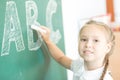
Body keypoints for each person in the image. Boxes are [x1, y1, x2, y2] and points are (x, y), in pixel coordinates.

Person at [37, 20, 115, 80]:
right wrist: (47, 40)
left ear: (107, 48)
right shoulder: (79, 65)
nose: (88, 44)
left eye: (96, 40)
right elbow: (60, 58)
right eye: (84, 39)